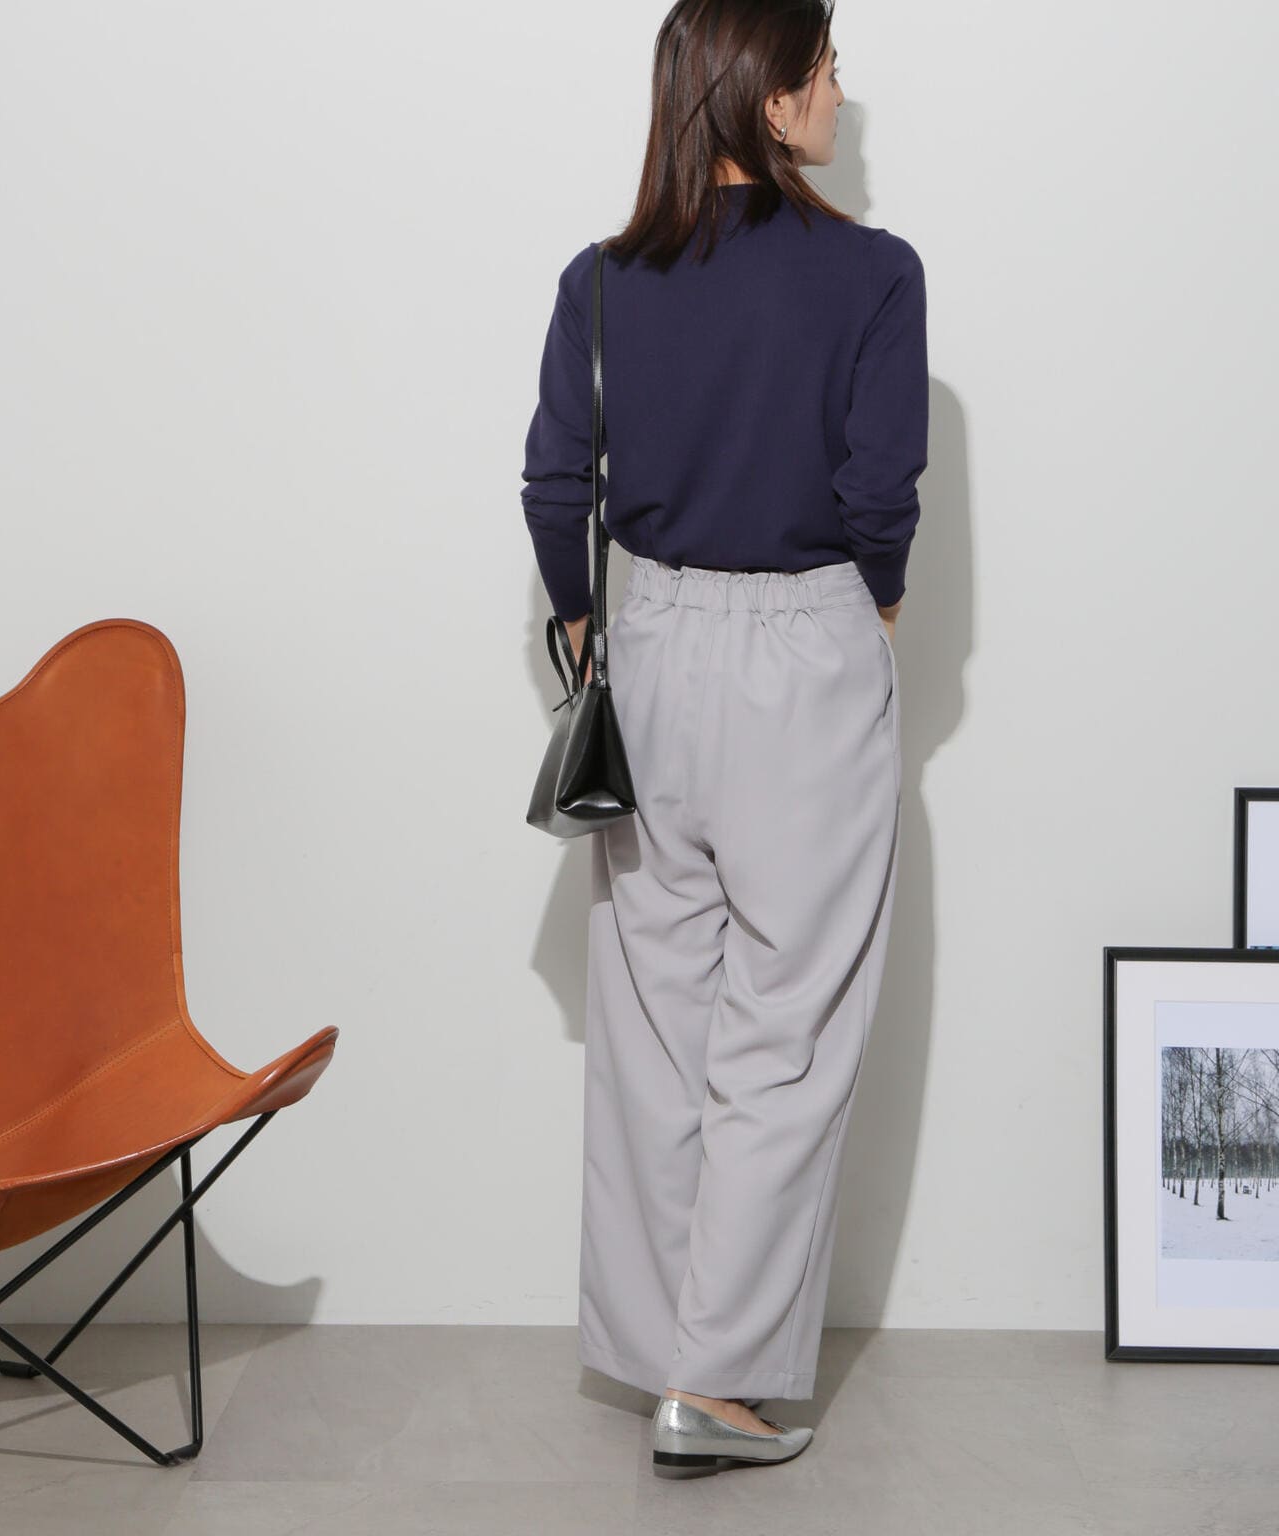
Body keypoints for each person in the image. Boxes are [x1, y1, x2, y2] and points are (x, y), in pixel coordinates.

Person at [520, 0, 926, 1477]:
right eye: (825, 68)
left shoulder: (602, 279)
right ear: (766, 90)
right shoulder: (873, 274)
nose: (840, 94)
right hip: (806, 647)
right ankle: (722, 1382)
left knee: (651, 1030)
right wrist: (873, 603)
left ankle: (660, 1359)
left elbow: (554, 479)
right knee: (787, 1031)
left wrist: (584, 623)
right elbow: (881, 490)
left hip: (654, 646)